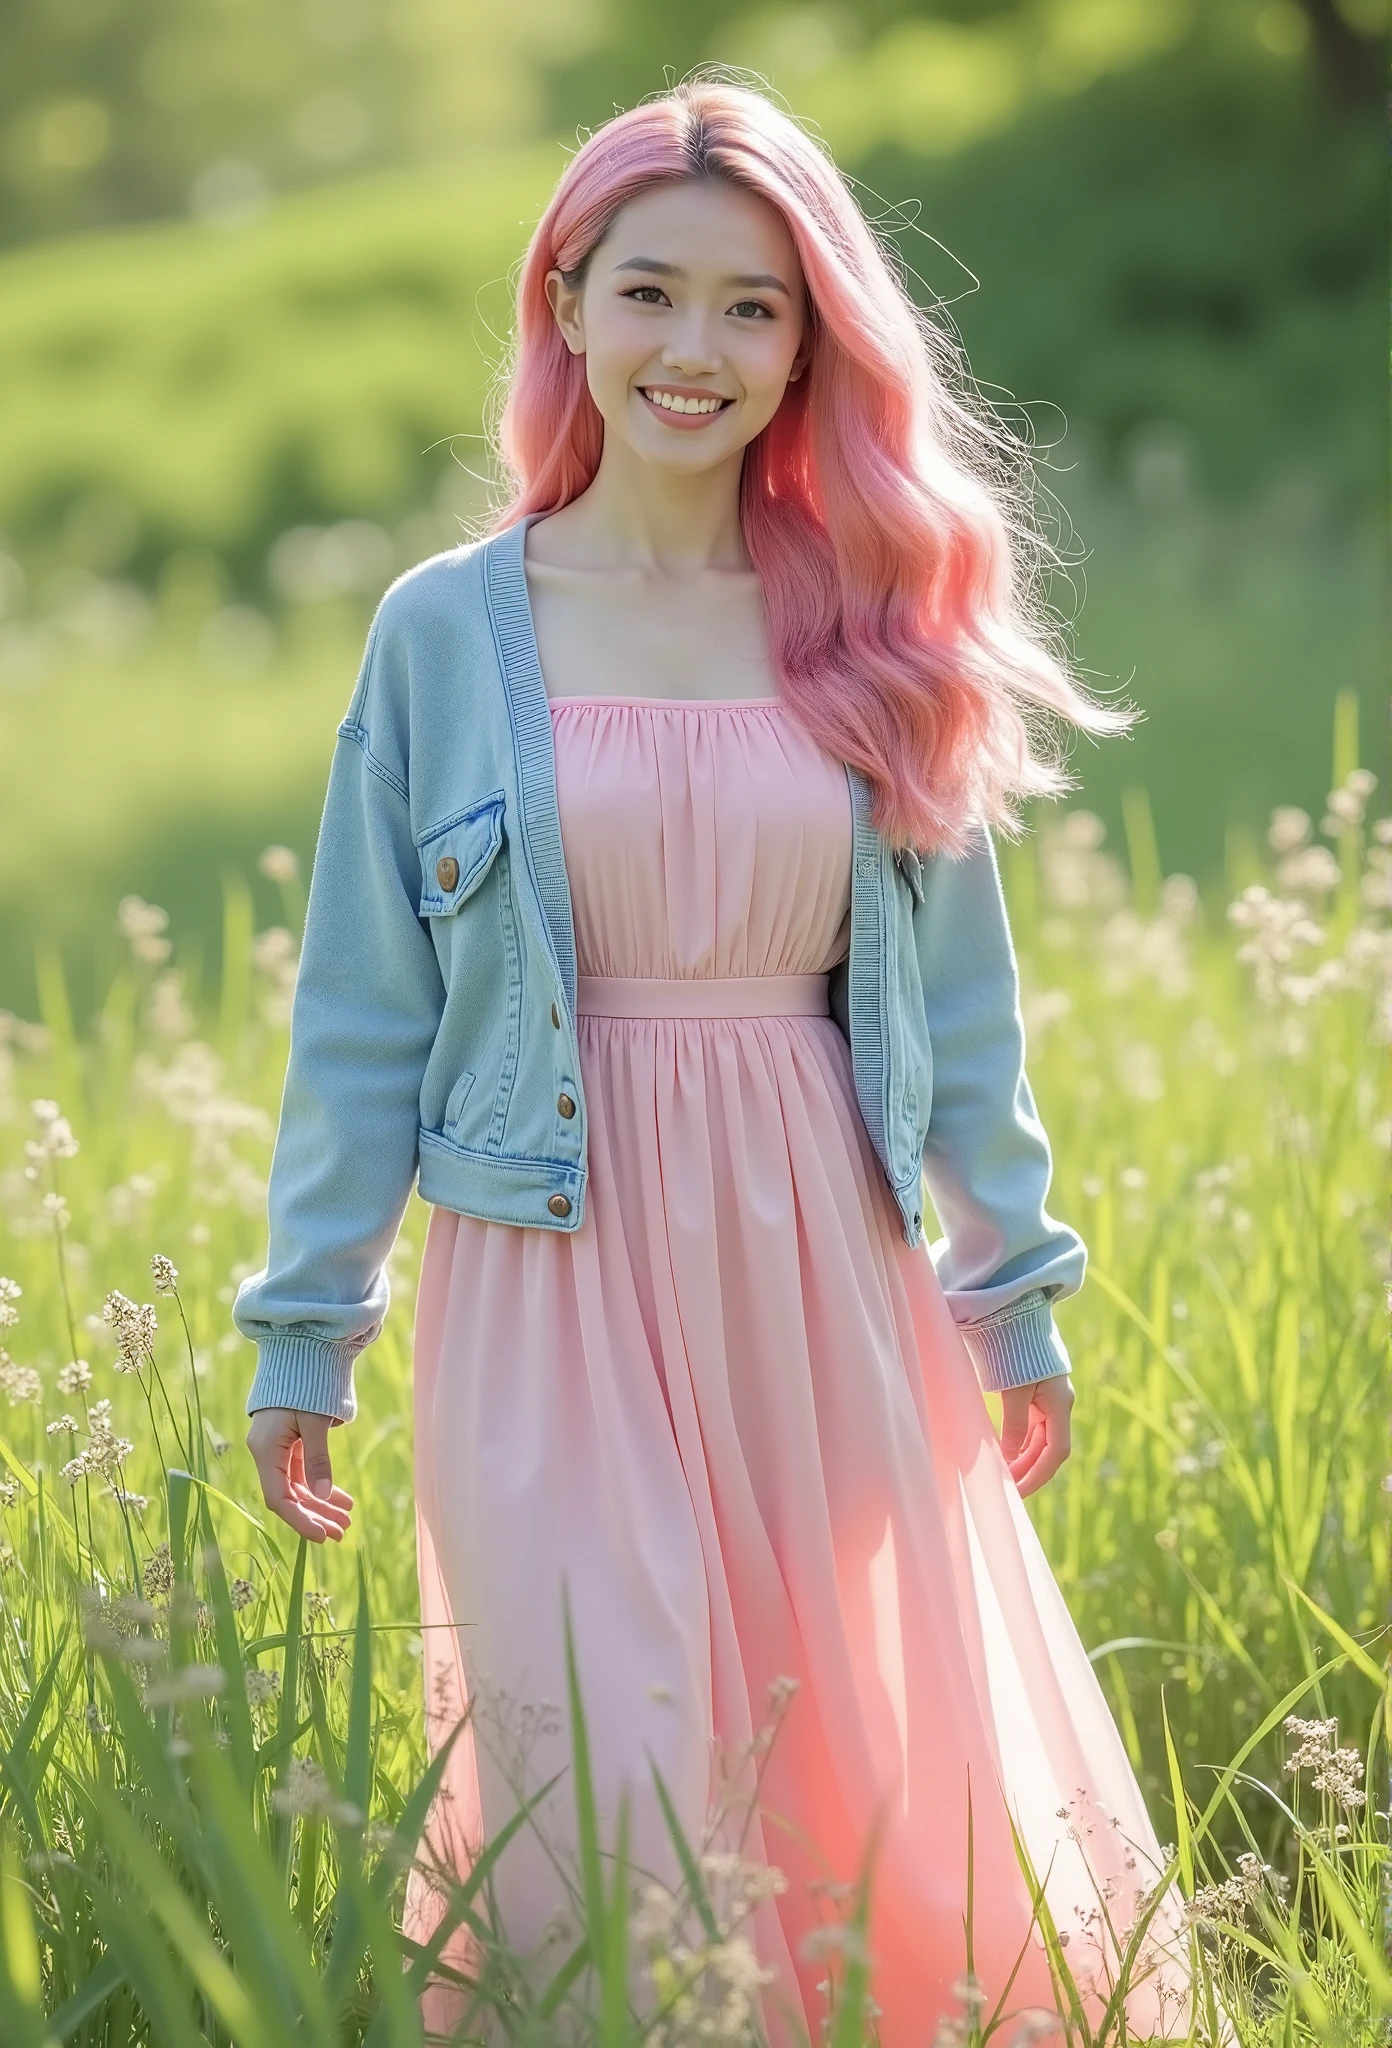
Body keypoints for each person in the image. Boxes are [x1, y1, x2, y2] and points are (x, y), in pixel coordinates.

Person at [236, 76, 1190, 2046]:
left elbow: (966, 996)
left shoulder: (863, 622)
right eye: (653, 292)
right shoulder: (442, 635)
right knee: (598, 1751)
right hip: (547, 1260)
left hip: (815, 1254)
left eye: (755, 308)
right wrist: (302, 1329)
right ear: (565, 304)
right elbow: (359, 1014)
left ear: (809, 340)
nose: (699, 349)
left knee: (848, 1757)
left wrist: (1012, 1288)